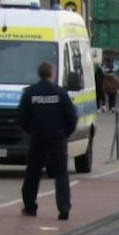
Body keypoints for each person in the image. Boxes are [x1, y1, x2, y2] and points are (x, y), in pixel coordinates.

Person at [17, 59, 78, 220]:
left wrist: (32, 131)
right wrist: (64, 133)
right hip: (57, 139)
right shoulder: (60, 93)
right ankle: (63, 208)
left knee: (33, 173)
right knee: (61, 174)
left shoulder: (30, 92)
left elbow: (21, 117)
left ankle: (30, 207)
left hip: (37, 138)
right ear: (52, 73)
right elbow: (72, 117)